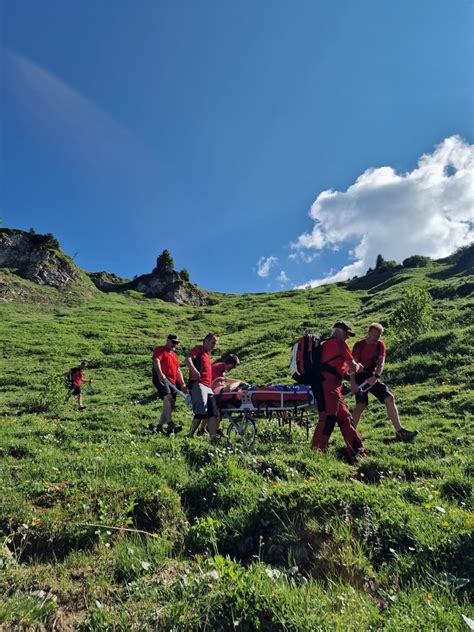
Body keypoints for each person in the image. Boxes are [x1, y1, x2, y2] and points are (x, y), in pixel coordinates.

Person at [350, 323, 418, 442]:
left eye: (379, 335)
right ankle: (350, 435)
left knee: (389, 398)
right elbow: (352, 366)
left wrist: (376, 376)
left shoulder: (380, 345)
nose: (376, 338)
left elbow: (381, 363)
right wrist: (353, 384)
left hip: (372, 376)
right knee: (361, 405)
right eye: (375, 335)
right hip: (359, 377)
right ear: (369, 332)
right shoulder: (359, 345)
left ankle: (399, 432)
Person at [310, 322, 367, 462]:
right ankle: (317, 453)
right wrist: (360, 367)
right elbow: (353, 367)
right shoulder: (339, 344)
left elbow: (334, 368)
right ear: (339, 331)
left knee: (345, 417)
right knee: (327, 418)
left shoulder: (325, 345)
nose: (348, 337)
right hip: (329, 388)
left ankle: (357, 452)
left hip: (327, 387)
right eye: (347, 333)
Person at [148, 333, 186, 435]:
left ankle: (159, 427)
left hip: (172, 382)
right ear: (168, 341)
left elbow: (178, 370)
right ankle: (170, 424)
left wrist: (182, 384)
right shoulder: (160, 349)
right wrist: (160, 374)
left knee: (170, 404)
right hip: (161, 379)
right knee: (167, 397)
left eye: (176, 343)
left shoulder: (174, 355)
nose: (175, 345)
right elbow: (156, 360)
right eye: (173, 342)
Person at [197, 354, 244, 437]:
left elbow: (223, 380)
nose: (233, 368)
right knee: (213, 410)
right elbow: (217, 382)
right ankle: (202, 429)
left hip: (211, 390)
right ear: (230, 363)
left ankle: (215, 429)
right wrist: (235, 383)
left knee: (217, 411)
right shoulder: (218, 368)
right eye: (233, 366)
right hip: (210, 390)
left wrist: (237, 381)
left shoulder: (221, 368)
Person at [185, 333, 219, 441]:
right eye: (213, 343)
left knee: (213, 413)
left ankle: (213, 438)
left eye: (216, 343)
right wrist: (194, 370)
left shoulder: (208, 355)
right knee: (201, 412)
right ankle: (189, 435)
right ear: (206, 341)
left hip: (208, 387)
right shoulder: (198, 349)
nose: (215, 345)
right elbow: (187, 359)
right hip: (198, 384)